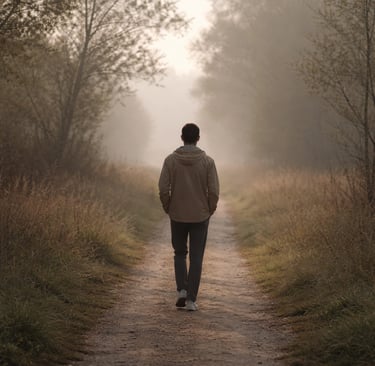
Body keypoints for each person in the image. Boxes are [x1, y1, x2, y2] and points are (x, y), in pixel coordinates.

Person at [158, 123, 220, 311]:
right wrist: (209, 209)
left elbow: (163, 188)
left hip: (177, 214)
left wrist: (169, 207)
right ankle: (192, 300)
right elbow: (214, 191)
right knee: (196, 257)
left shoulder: (170, 160)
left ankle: (182, 291)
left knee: (179, 253)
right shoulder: (208, 162)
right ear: (198, 138)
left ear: (181, 137)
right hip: (200, 216)